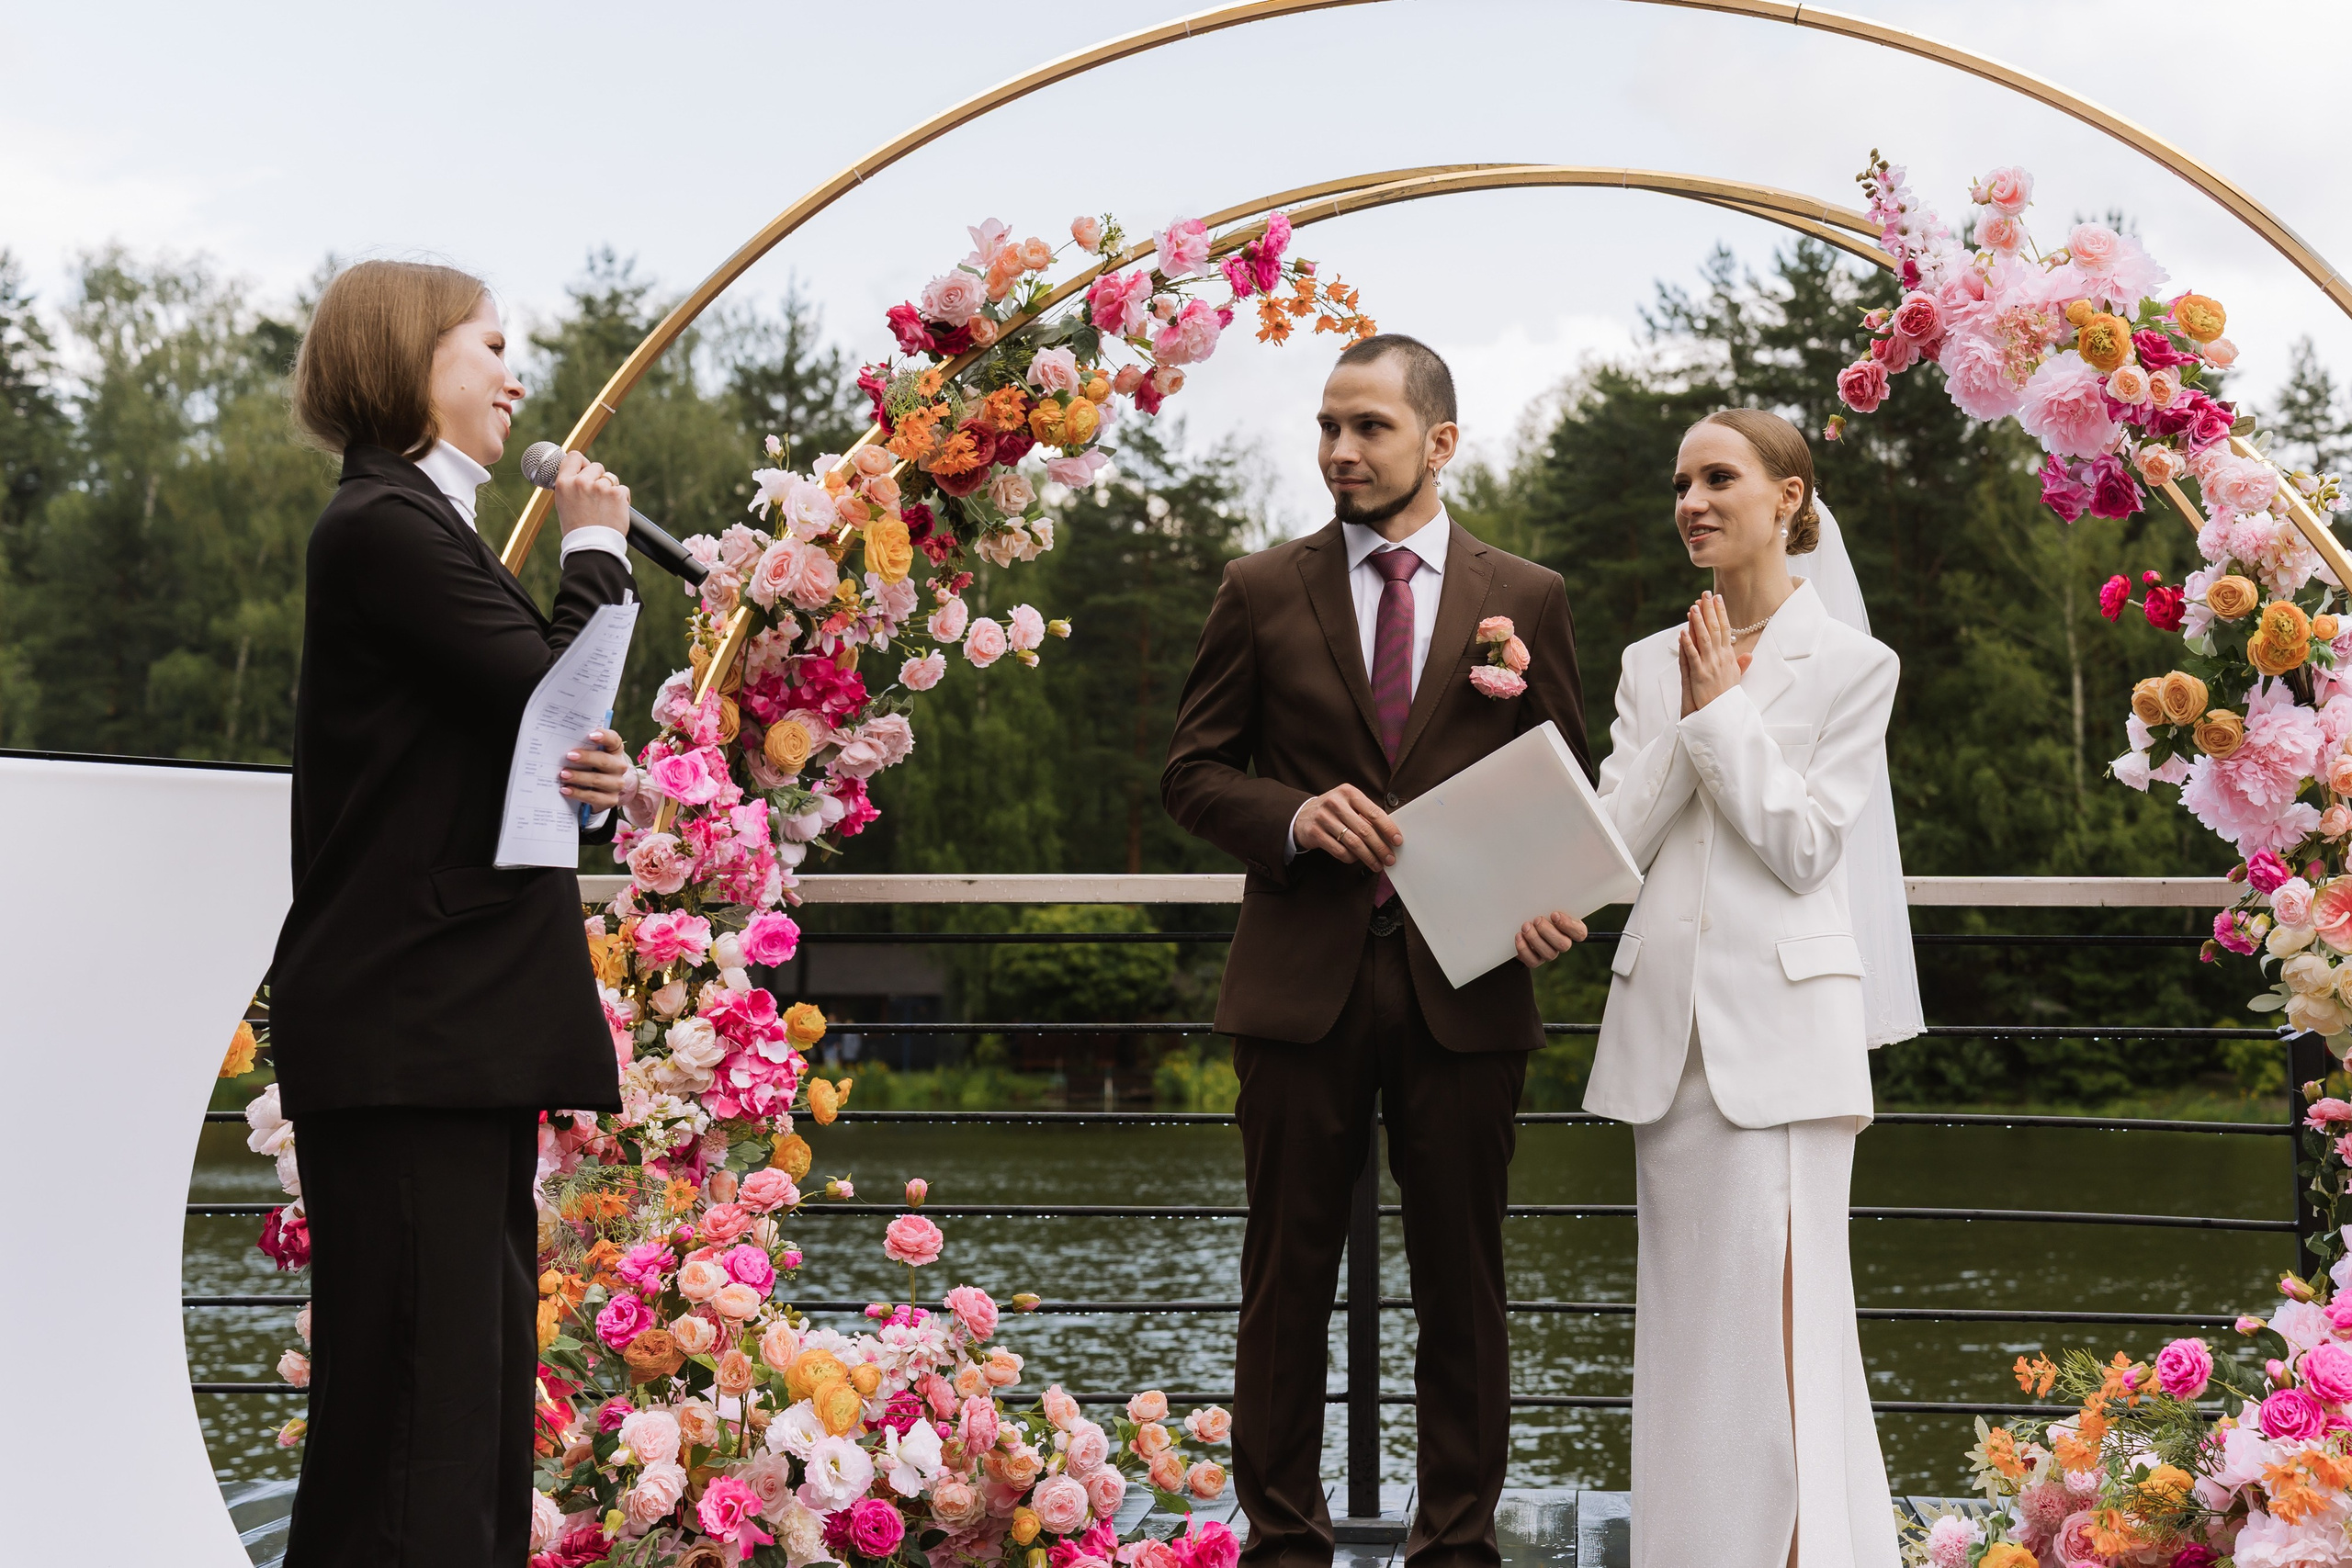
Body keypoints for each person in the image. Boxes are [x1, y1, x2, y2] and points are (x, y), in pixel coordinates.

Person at [1162, 334, 1589, 1568]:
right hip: (1301, 987)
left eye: (1370, 428)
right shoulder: (1257, 586)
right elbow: (1192, 774)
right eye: (1328, 426)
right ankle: (1282, 1543)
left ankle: (1455, 1545)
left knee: (1465, 1287)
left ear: (1439, 442)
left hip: (1472, 987)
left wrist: (1557, 896)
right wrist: (1292, 816)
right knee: (1283, 1284)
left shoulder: (1531, 596)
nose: (1340, 450)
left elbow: (1569, 782)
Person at [268, 259, 641, 1566]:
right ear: (409, 357)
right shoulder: (384, 525)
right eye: (490, 344)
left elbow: (527, 732)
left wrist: (590, 769)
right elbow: (550, 690)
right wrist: (596, 542)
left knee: (454, 1411)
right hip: (410, 1024)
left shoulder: (422, 529)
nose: (516, 375)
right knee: (418, 1423)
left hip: (444, 1025)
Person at [1584, 408, 1918, 1568]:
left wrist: (1722, 709)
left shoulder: (1856, 665)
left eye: (1717, 477)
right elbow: (1615, 838)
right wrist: (1689, 704)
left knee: (1784, 1337)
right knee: (1687, 1345)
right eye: (1679, 482)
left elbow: (1805, 847)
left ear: (1789, 497)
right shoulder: (1644, 662)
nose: (1691, 501)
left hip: (1783, 1044)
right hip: (1665, 1046)